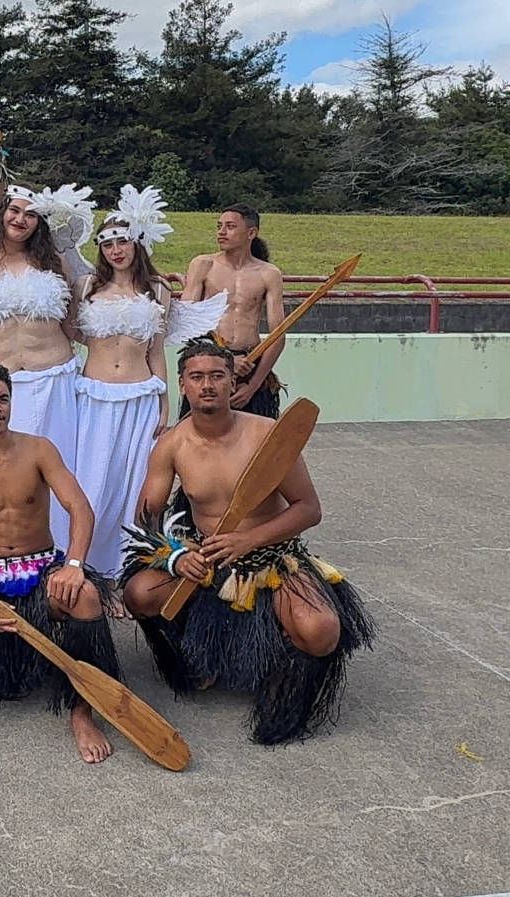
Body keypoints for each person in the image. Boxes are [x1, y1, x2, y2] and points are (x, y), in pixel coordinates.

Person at [122, 337, 375, 745]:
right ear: (183, 385)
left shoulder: (267, 435)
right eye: (197, 377)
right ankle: (194, 654)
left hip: (273, 558)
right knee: (139, 593)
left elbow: (308, 508)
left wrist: (250, 539)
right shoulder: (171, 444)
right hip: (206, 557)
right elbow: (146, 518)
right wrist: (176, 556)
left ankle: (281, 679)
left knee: (320, 630)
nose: (207, 385)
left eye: (217, 376)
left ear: (232, 382)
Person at [0, 362, 120, 764]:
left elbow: (80, 509)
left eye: (2, 398)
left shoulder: (38, 449)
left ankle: (82, 711)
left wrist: (73, 564)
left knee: (84, 596)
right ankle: (13, 659)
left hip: (43, 568)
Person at [0, 185, 93, 544]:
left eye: (31, 214)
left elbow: (73, 321)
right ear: (1, 211)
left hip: (53, 378)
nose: (21, 219)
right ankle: (5, 552)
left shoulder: (53, 263)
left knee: (58, 471)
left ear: (40, 222)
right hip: (1, 383)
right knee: (4, 475)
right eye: (14, 211)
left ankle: (61, 554)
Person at [72, 186, 174, 574]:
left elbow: (157, 350)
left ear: (137, 243)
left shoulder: (159, 289)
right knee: (92, 479)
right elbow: (70, 333)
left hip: (139, 396)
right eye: (108, 243)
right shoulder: (87, 287)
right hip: (94, 396)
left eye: (123, 241)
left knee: (132, 484)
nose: (116, 250)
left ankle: (124, 570)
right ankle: (84, 565)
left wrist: (165, 402)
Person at [176, 204, 287, 417]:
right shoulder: (203, 264)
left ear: (251, 233)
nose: (221, 232)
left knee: (256, 443)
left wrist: (253, 386)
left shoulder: (268, 273)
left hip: (250, 363)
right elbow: (186, 321)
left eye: (230, 226)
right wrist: (225, 360)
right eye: (219, 226)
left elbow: (278, 335)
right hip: (209, 359)